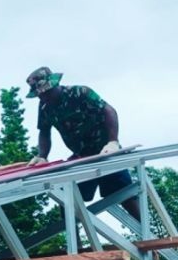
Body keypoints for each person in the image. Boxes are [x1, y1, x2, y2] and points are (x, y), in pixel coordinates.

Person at [25, 66, 140, 220]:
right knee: (65, 192)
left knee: (123, 192)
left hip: (104, 150)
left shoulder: (80, 93)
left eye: (47, 93)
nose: (44, 97)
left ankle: (149, 233)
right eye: (41, 95)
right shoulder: (45, 107)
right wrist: (42, 156)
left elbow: (108, 110)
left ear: (54, 85)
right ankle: (75, 242)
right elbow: (44, 131)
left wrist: (113, 141)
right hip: (82, 155)